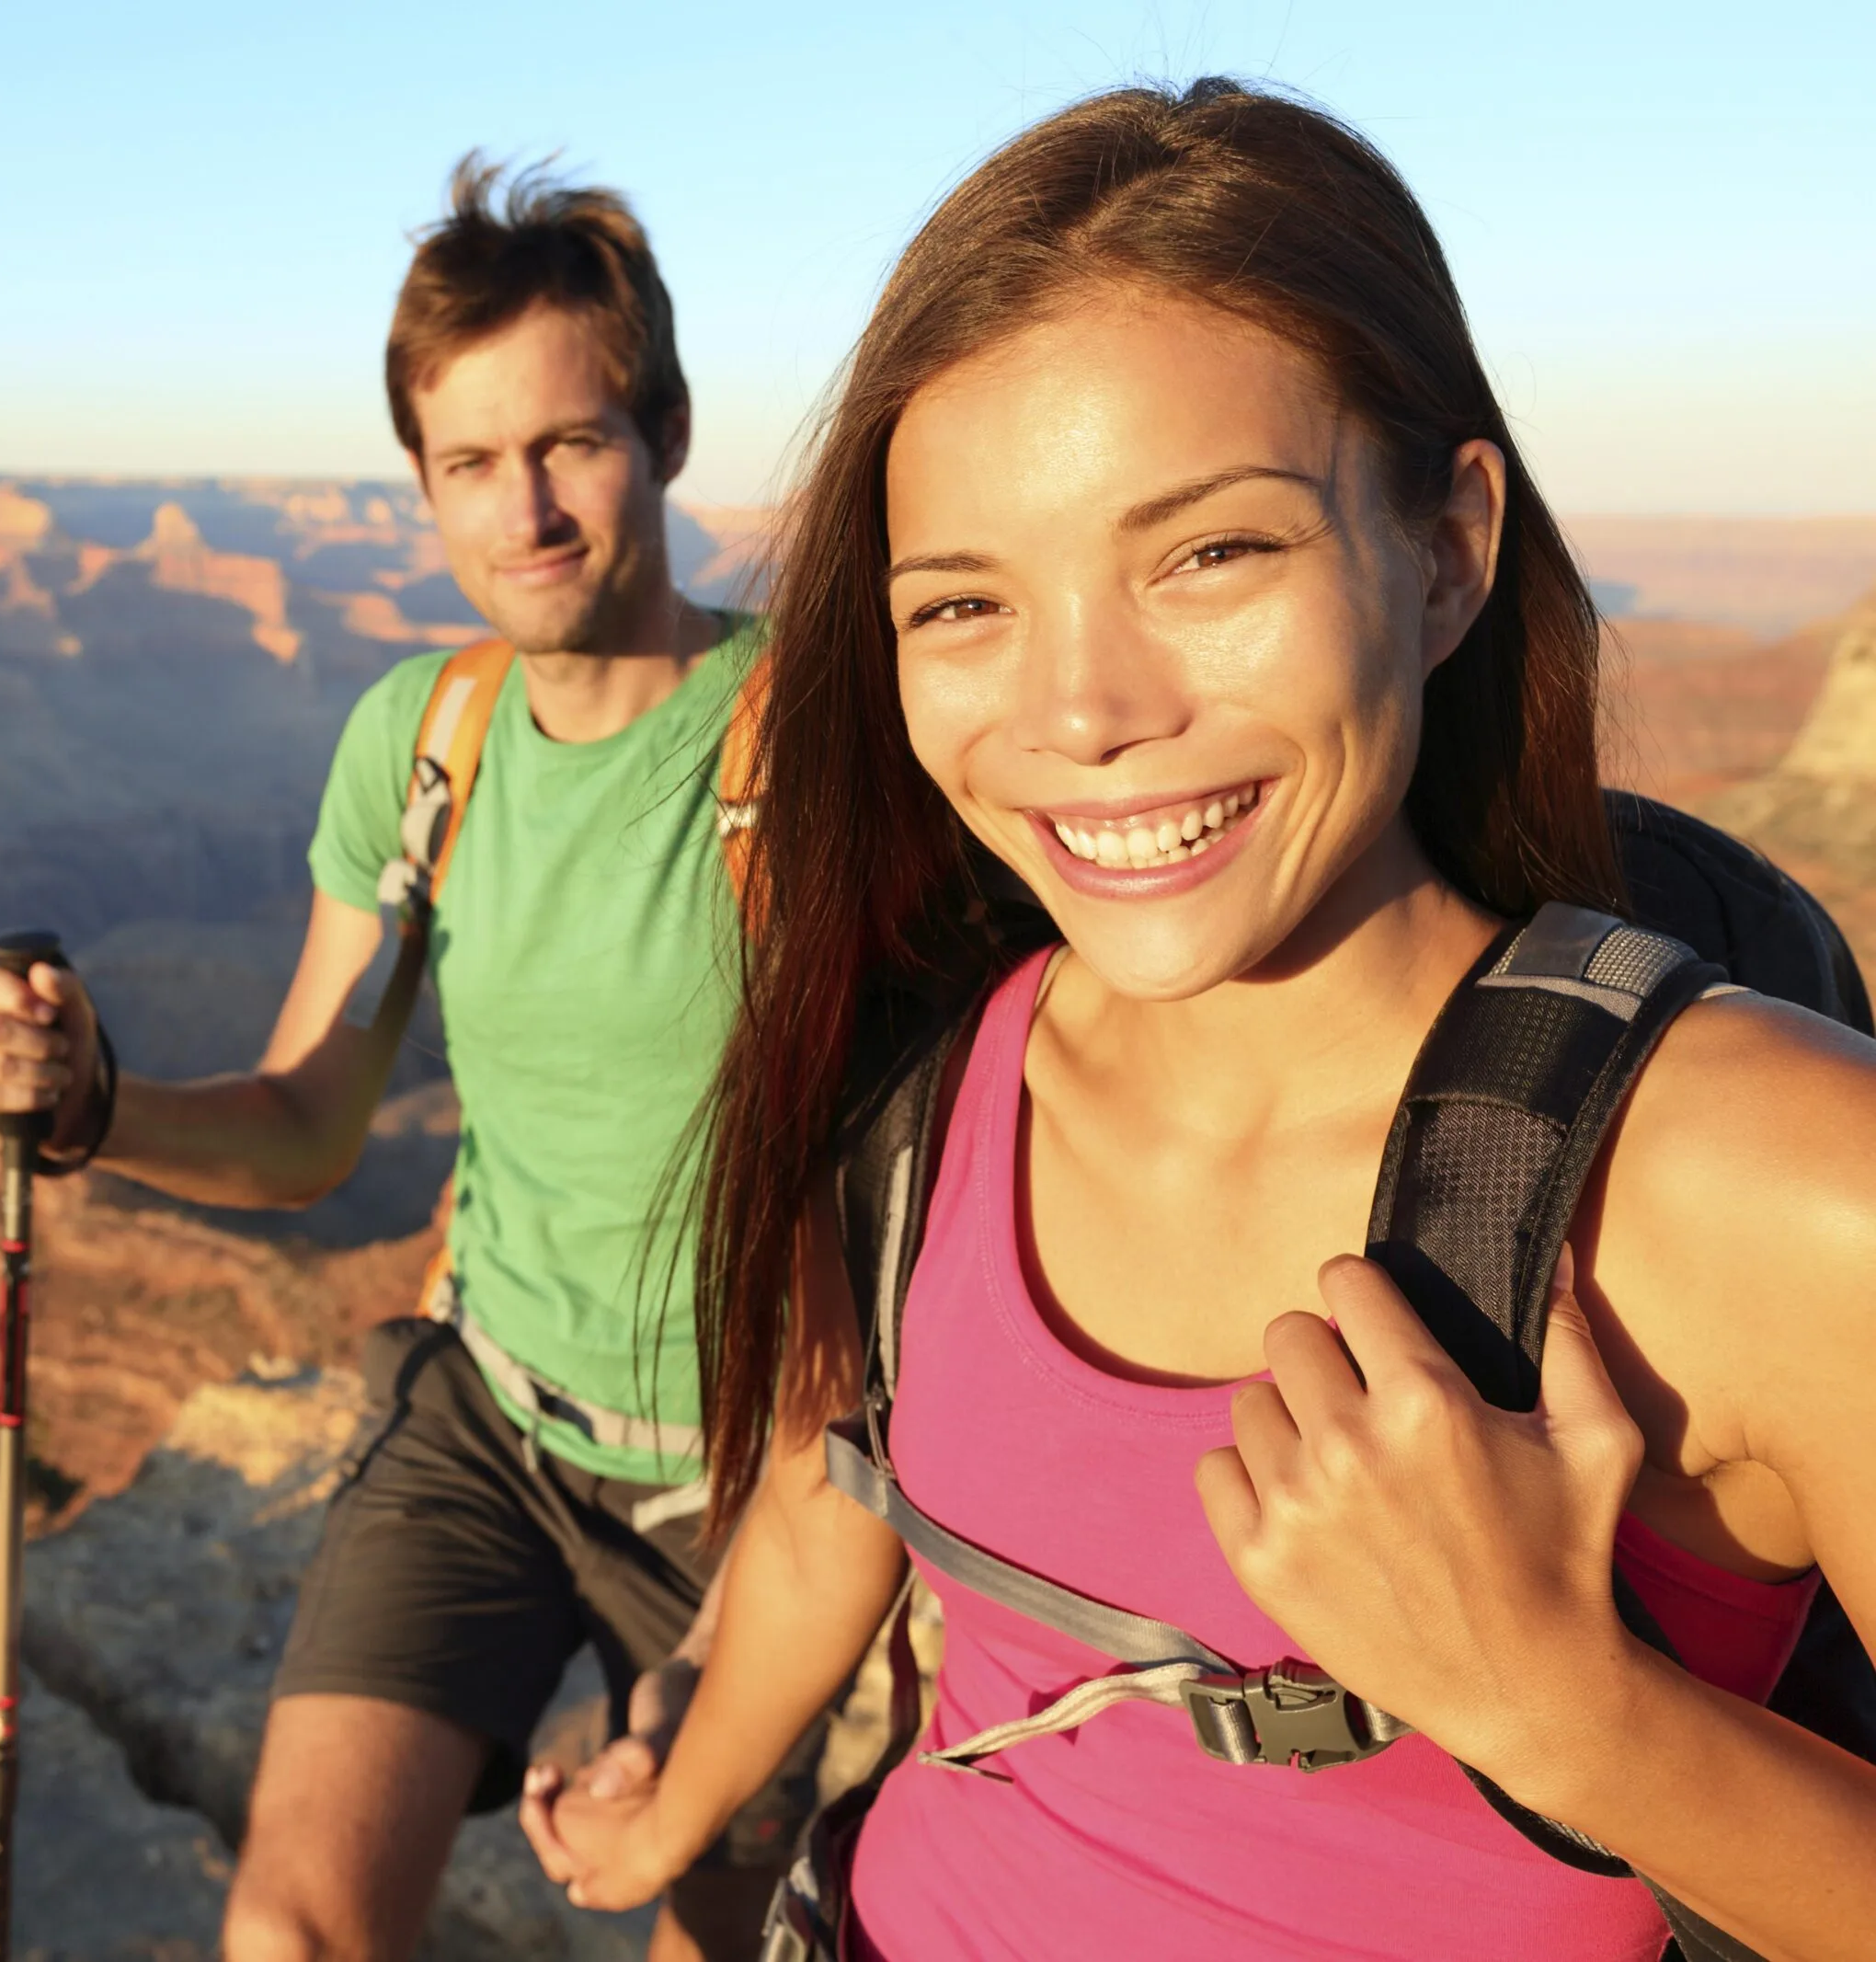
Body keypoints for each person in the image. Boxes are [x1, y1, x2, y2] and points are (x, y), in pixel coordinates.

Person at [517, 80, 1876, 1960]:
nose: (1077, 710)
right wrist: (661, 1809)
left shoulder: (1767, 1180)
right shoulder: (924, 1078)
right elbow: (848, 1495)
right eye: (965, 603)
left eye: (1208, 554)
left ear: (1442, 550)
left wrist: (1579, 1720)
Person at [0, 157, 814, 1962]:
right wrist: (93, 1107)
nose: (529, 510)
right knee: (292, 1931)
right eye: (471, 465)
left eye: (568, 442)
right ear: (422, 486)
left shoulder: (809, 742)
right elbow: (307, 1120)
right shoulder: (424, 737)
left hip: (749, 1478)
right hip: (488, 1416)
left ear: (662, 430)